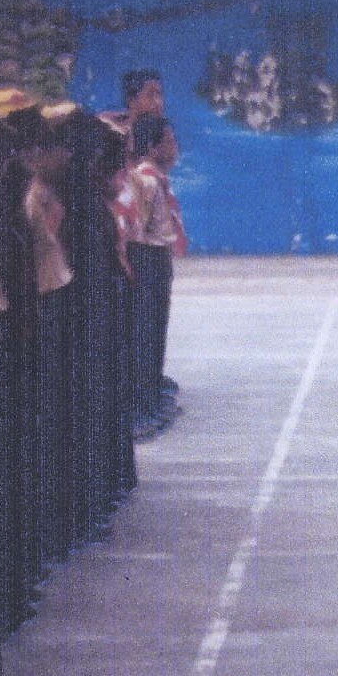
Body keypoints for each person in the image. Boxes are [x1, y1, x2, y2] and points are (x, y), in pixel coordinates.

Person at [127, 115, 187, 441]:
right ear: (152, 147)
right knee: (145, 332)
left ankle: (151, 397)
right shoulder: (145, 182)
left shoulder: (158, 180)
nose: (175, 148)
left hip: (158, 257)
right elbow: (136, 228)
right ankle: (141, 405)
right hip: (145, 259)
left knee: (156, 331)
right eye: (169, 142)